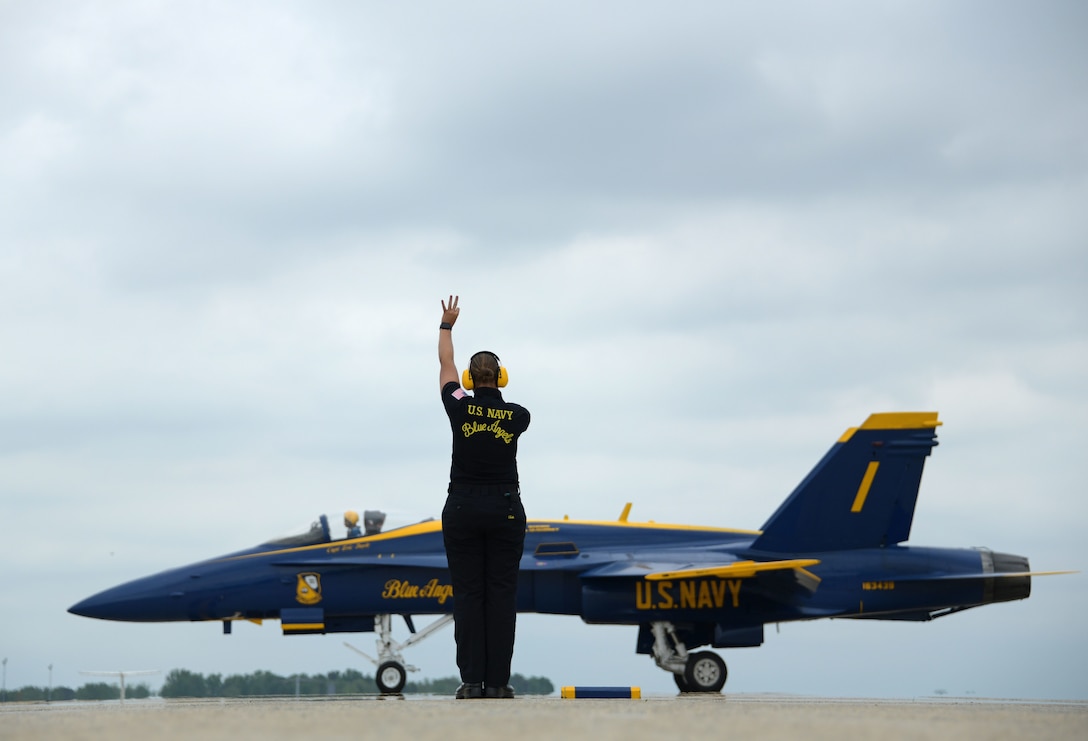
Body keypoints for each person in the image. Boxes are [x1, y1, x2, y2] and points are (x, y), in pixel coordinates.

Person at [438, 295, 531, 700]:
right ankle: (498, 683)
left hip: (462, 508)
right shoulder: (518, 415)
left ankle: (472, 682)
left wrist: (446, 326)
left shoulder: (459, 406)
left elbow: (445, 368)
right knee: (501, 595)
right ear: (502, 377)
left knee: (469, 595)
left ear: (471, 381)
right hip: (505, 510)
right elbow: (507, 411)